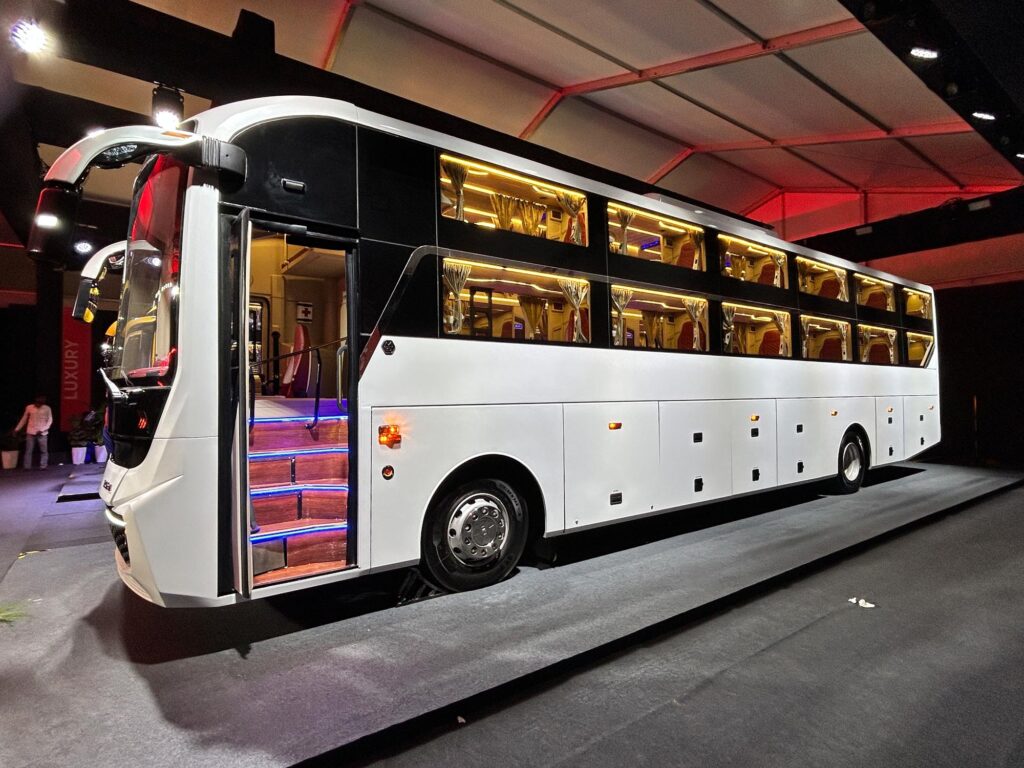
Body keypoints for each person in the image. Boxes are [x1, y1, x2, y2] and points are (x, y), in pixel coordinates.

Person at [15, 394, 53, 470]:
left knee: (44, 450)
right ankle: (27, 467)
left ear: (43, 403)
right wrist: (17, 429)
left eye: (40, 403)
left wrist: (42, 429)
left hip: (42, 433)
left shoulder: (47, 408)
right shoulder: (29, 407)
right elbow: (24, 419)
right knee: (28, 450)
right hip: (31, 432)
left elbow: (50, 420)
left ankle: (43, 466)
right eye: (37, 402)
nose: (38, 404)